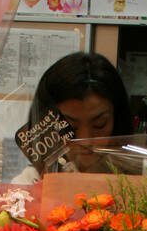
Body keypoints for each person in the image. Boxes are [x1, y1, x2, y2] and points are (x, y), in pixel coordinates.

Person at [12, 51, 134, 182]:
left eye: (100, 124)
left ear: (118, 119)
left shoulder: (145, 176)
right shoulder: (28, 183)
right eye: (69, 128)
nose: (86, 141)